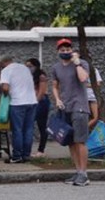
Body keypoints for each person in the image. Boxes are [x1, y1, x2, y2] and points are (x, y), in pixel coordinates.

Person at [51, 38, 92, 186]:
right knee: (70, 142)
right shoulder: (56, 68)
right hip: (65, 107)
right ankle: (77, 171)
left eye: (68, 49)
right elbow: (55, 85)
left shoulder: (82, 64)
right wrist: (57, 99)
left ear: (72, 50)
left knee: (80, 141)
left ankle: (84, 174)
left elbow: (83, 79)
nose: (66, 52)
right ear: (58, 52)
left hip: (79, 106)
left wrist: (77, 63)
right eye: (62, 50)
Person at [0, 56, 38, 163]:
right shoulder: (24, 68)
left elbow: (5, 88)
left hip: (17, 103)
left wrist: (4, 92)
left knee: (17, 130)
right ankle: (26, 155)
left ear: (3, 64)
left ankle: (17, 156)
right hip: (32, 102)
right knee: (28, 130)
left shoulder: (6, 70)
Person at [26, 59, 51, 156]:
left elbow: (42, 91)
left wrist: (35, 102)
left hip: (41, 102)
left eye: (30, 66)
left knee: (41, 126)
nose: (28, 68)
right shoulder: (29, 76)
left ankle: (41, 150)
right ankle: (29, 149)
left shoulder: (41, 76)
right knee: (29, 125)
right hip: (31, 101)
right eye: (27, 66)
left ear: (36, 66)